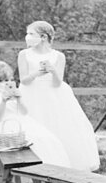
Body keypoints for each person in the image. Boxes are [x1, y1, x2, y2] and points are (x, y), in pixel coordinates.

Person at [17, 21, 100, 171]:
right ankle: (33, 168)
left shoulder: (58, 56)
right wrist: (37, 73)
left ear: (43, 37)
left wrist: (52, 70)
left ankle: (62, 165)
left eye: (31, 34)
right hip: (31, 95)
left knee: (59, 128)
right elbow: (24, 80)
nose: (27, 37)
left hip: (54, 96)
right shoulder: (24, 54)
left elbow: (57, 83)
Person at [0, 61, 71, 167]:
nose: (5, 83)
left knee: (48, 138)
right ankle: (35, 173)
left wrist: (19, 99)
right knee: (34, 139)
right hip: (2, 126)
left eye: (9, 80)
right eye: (1, 80)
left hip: (20, 122)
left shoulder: (14, 91)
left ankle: (53, 172)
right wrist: (4, 101)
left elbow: (24, 112)